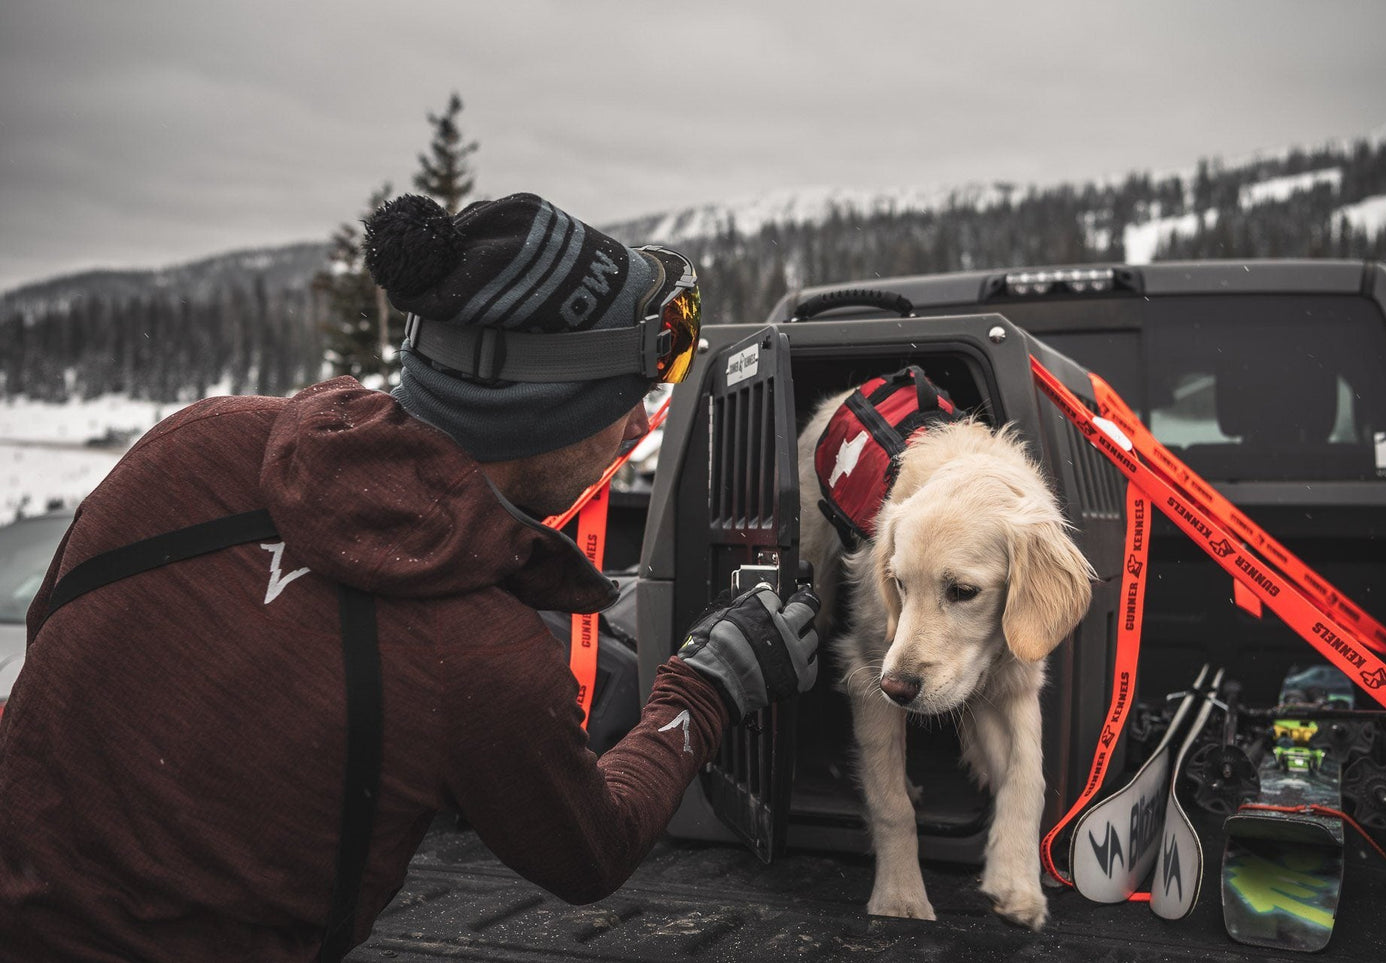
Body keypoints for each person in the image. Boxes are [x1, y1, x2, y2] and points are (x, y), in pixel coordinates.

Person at [0, 192, 820, 962]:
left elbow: (52, 645)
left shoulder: (189, 443)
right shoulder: (472, 651)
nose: (641, 421)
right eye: (627, 396)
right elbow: (591, 852)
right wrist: (704, 686)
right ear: (547, 411)